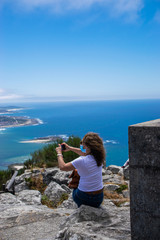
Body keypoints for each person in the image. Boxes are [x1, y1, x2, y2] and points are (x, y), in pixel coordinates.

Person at [56, 132, 106, 208]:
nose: (81, 145)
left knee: (75, 185)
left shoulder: (82, 160)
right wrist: (70, 148)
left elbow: (63, 167)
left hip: (83, 197)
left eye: (82, 144)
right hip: (98, 198)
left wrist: (59, 153)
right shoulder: (99, 158)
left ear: (88, 147)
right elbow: (84, 153)